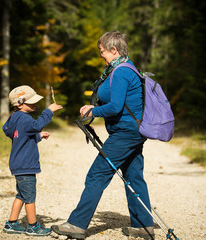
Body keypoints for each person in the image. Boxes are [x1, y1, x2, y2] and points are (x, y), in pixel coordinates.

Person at [51, 31, 155, 239]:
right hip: (132, 131)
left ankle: (77, 225)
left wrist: (93, 111)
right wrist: (95, 106)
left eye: (102, 51)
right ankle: (143, 227)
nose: (101, 55)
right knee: (134, 176)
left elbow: (116, 107)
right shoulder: (124, 68)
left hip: (126, 133)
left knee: (97, 174)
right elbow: (114, 101)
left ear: (114, 50)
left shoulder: (121, 72)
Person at [2, 85, 62, 236]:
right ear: (19, 104)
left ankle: (12, 223)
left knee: (21, 195)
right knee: (29, 197)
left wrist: (38, 136)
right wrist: (48, 111)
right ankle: (33, 226)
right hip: (26, 165)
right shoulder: (25, 118)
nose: (35, 104)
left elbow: (21, 135)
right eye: (31, 101)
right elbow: (37, 125)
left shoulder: (14, 117)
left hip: (18, 164)